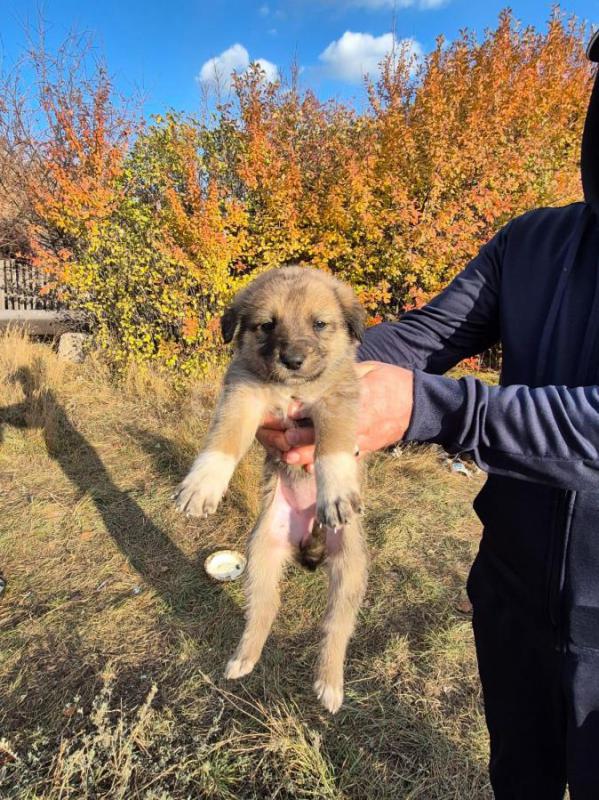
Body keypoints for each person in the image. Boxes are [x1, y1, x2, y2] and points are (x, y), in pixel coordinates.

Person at [257, 31, 599, 800]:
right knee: (518, 777)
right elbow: (427, 334)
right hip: (511, 591)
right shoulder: (530, 241)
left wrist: (426, 407)